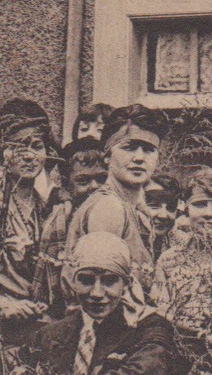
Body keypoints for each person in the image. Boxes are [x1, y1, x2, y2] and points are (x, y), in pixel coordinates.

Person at [30, 231, 177, 375]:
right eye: (86, 280)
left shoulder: (148, 327)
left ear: (126, 284)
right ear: (72, 282)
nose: (97, 293)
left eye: (109, 281)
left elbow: (141, 373)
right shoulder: (52, 334)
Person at [63, 104, 168, 278]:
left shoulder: (136, 206)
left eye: (149, 150)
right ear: (107, 155)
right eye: (129, 147)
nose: (139, 158)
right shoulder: (109, 208)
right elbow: (101, 291)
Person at [152, 166, 212, 348]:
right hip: (173, 348)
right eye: (199, 204)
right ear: (187, 208)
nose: (208, 213)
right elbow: (160, 314)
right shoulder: (169, 259)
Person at [0, 99, 59, 341]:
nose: (30, 156)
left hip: (40, 322)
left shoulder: (49, 207)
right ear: (1, 152)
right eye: (19, 147)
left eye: (37, 146)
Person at [36, 136, 108, 314]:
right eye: (83, 181)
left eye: (101, 179)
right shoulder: (60, 221)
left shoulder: (118, 215)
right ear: (66, 182)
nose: (95, 187)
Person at [141, 174, 184, 262]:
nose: (163, 215)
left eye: (170, 207)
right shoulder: (124, 242)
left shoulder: (184, 244)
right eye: (154, 206)